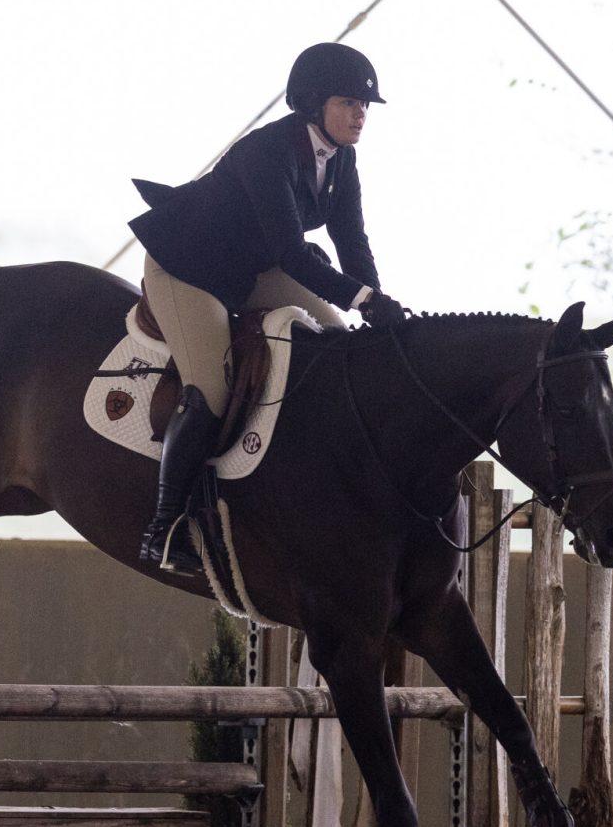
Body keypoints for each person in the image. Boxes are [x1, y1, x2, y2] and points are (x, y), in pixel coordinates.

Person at [129, 41, 407, 575]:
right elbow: (291, 252)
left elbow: (353, 240)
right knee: (211, 387)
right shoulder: (266, 151)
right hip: (188, 267)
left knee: (335, 337)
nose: (361, 115)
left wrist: (375, 304)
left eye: (365, 105)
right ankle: (162, 529)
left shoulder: (342, 157)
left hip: (250, 267)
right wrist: (365, 297)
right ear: (313, 103)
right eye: (349, 103)